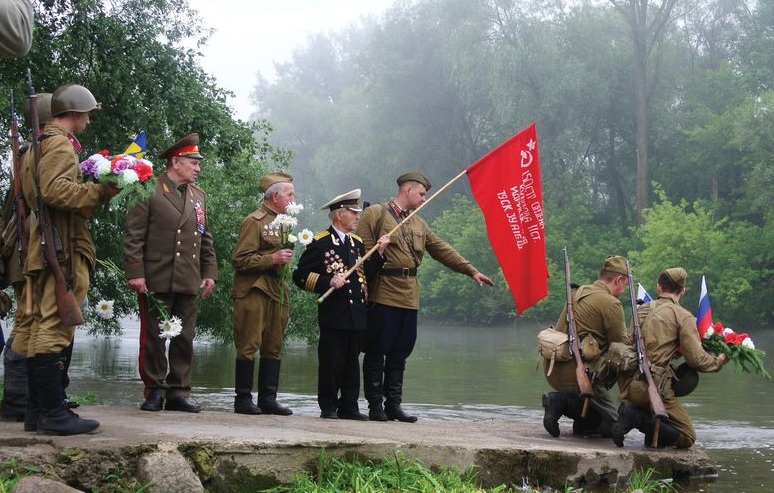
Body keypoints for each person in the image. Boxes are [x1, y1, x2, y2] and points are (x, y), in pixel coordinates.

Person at [355, 172, 494, 422]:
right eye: (421, 193)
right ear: (408, 190)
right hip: (383, 291)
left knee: (400, 352)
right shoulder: (375, 214)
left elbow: (441, 249)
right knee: (377, 350)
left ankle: (393, 404)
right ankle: (375, 406)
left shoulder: (418, 223)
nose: (424, 198)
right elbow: (360, 252)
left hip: (410, 295)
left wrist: (470, 270)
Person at [15, 83, 114, 435]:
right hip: (61, 246)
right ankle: (53, 414)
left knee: (35, 326)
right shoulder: (57, 143)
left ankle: (37, 411)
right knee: (53, 327)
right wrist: (102, 190)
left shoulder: (37, 144)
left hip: (46, 244)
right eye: (87, 114)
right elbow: (57, 192)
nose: (88, 120)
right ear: (75, 113)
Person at [124, 133, 217, 414]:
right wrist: (136, 272)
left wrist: (209, 272)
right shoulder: (148, 188)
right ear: (176, 162)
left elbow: (205, 237)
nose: (198, 167)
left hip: (188, 277)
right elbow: (133, 236)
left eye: (198, 162)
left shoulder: (198, 195)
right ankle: (154, 390)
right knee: (154, 336)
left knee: (184, 337)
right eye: (193, 162)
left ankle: (179, 391)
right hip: (156, 275)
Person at [293, 189, 390, 420]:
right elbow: (300, 275)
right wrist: (328, 281)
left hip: (356, 312)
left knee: (351, 364)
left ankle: (349, 406)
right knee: (332, 362)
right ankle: (328, 406)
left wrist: (380, 253)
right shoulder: (320, 242)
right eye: (353, 212)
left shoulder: (357, 243)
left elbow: (368, 274)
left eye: (357, 212)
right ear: (339, 215)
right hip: (334, 313)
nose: (357, 217)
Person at [612, 268, 728, 449]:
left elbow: (628, 343)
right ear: (682, 292)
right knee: (687, 436)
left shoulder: (642, 310)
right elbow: (696, 360)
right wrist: (719, 360)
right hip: (654, 386)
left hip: (629, 385)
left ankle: (638, 419)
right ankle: (635, 417)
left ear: (659, 288)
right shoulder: (683, 316)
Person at [0, 92, 53, 424]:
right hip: (27, 250)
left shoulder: (29, 156)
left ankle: (37, 396)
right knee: (28, 322)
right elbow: (14, 212)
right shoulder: (35, 157)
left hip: (28, 248)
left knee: (32, 322)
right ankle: (21, 400)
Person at [541, 255, 630, 438]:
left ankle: (575, 415)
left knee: (590, 423)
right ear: (618, 279)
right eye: (625, 284)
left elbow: (559, 331)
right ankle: (560, 402)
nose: (623, 289)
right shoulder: (611, 303)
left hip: (553, 370)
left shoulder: (576, 293)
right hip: (579, 377)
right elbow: (620, 348)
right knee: (612, 427)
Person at [231, 172, 296, 416]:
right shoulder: (254, 221)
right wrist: (272, 258)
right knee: (249, 344)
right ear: (275, 195)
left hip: (277, 290)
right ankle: (243, 400)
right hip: (253, 289)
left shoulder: (286, 222)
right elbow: (239, 260)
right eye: (290, 193)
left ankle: (268, 399)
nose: (293, 197)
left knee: (274, 345)